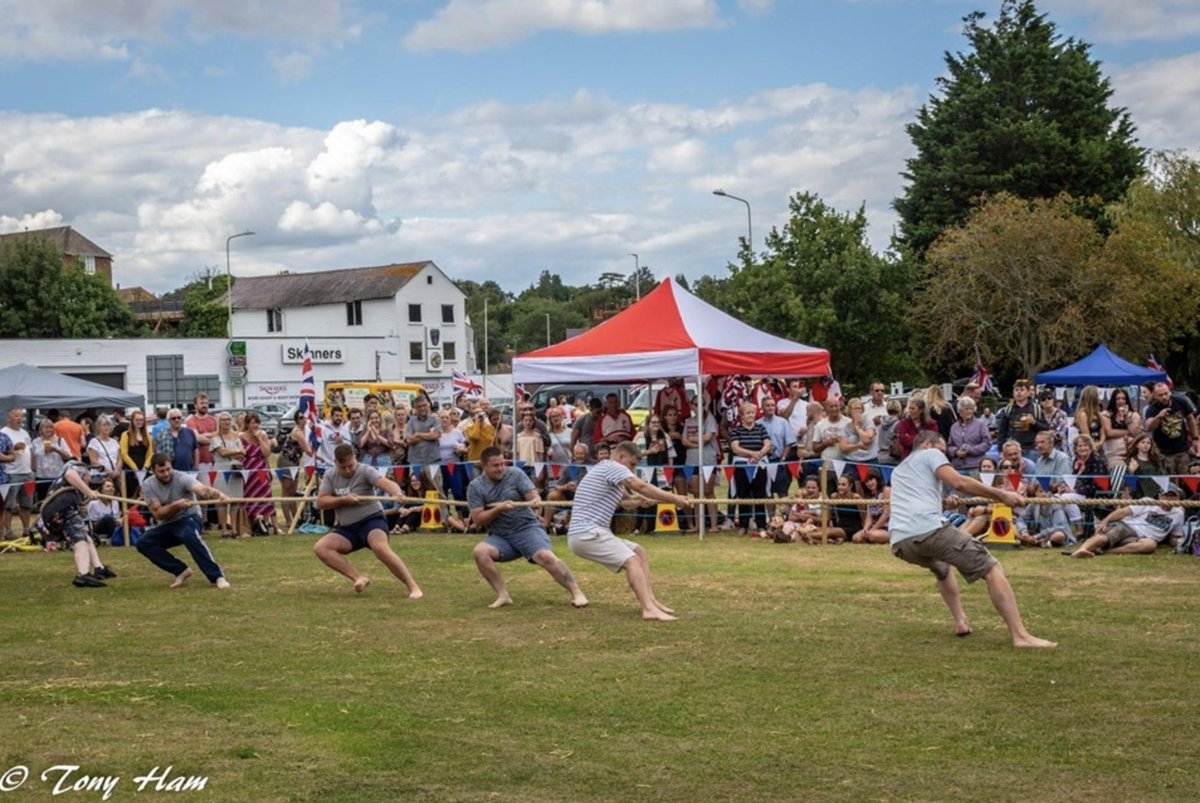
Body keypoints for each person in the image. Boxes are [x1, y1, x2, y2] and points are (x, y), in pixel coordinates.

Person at [888, 430, 1056, 648]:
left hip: (901, 542)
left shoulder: (900, 470)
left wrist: (944, 502)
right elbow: (959, 482)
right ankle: (1021, 636)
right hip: (927, 530)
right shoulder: (930, 454)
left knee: (942, 568)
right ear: (928, 444)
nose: (944, 458)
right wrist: (1003, 495)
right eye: (942, 452)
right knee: (991, 567)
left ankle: (961, 622)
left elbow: (917, 500)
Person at [567, 441, 689, 621]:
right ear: (621, 457)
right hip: (587, 533)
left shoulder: (607, 472)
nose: (632, 470)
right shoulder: (612, 467)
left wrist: (637, 500)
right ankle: (648, 609)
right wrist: (675, 498)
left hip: (590, 533)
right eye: (632, 464)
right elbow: (642, 486)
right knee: (632, 561)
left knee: (639, 551)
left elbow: (625, 501)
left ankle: (651, 601)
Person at [468, 447, 589, 609]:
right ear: (483, 466)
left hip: (527, 528)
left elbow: (532, 495)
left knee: (546, 557)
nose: (500, 468)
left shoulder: (515, 474)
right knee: (480, 552)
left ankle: (577, 593)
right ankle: (503, 595)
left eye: (502, 464)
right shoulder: (475, 487)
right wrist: (498, 509)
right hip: (501, 536)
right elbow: (478, 520)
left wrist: (535, 500)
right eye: (495, 466)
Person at [313, 444, 424, 597]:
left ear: (355, 458)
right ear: (335, 463)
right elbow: (321, 502)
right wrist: (344, 500)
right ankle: (358, 578)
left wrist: (397, 493)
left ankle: (413, 587)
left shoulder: (365, 470)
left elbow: (387, 484)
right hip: (348, 529)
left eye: (350, 465)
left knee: (380, 547)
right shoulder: (330, 475)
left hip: (372, 521)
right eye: (342, 467)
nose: (347, 470)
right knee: (321, 548)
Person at [138, 453, 231, 589]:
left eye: (168, 469)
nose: (166, 474)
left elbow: (203, 491)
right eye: (161, 471)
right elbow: (158, 514)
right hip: (168, 524)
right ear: (153, 471)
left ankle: (217, 576)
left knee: (188, 535)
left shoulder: (181, 477)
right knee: (143, 543)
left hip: (190, 518)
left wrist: (219, 495)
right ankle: (180, 570)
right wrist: (176, 505)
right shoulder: (148, 485)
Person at [35, 458, 116, 587]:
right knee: (80, 540)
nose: (90, 478)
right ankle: (83, 575)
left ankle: (99, 568)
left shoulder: (65, 486)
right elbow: (70, 474)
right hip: (61, 509)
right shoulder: (75, 468)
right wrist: (88, 492)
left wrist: (88, 494)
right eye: (89, 475)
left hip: (54, 513)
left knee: (86, 537)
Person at [1069, 486, 1185, 558]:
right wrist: (1105, 521)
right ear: (1160, 496)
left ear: (1177, 498)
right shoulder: (1148, 501)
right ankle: (1081, 551)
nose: (1169, 499)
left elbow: (1174, 538)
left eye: (1173, 496)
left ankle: (1108, 552)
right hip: (1128, 526)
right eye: (1166, 496)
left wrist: (1182, 542)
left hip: (1142, 539)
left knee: (1150, 545)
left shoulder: (1179, 514)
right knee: (1105, 538)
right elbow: (1123, 512)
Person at [1144, 382, 1199, 476]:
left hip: (1182, 449)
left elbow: (1190, 419)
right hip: (1164, 453)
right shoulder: (1152, 409)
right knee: (1170, 482)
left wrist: (1195, 438)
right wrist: (1158, 417)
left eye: (1166, 393)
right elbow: (1149, 427)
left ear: (1170, 392)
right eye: (1160, 395)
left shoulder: (1180, 401)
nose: (1164, 397)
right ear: (1155, 396)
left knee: (1186, 479)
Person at [239, 413, 277, 535]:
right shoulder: (241, 436)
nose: (254, 425)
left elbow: (267, 454)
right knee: (249, 497)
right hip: (248, 471)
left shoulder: (263, 435)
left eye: (256, 422)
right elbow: (239, 454)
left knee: (266, 496)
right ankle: (250, 526)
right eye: (251, 423)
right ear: (247, 424)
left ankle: (275, 527)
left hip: (261, 469)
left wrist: (259, 438)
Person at [1, 409, 35, 536]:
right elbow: (2, 453)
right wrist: (14, 448)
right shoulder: (3, 433)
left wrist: (32, 469)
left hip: (27, 473)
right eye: (16, 416)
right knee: (8, 505)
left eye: (21, 416)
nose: (19, 419)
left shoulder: (25, 432)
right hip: (11, 473)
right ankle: (8, 532)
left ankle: (26, 530)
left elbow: (30, 451)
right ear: (9, 417)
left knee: (27, 504)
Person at [996, 379, 1047, 457]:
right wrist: (1000, 450)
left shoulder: (1036, 408)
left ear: (1028, 392)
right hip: (1012, 450)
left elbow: (1045, 429)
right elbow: (1002, 432)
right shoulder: (1008, 409)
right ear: (1013, 393)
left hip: (1031, 449)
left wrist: (1034, 422)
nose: (1019, 392)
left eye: (1022, 390)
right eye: (1016, 390)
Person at [33, 417, 72, 503]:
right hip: (41, 477)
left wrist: (55, 449)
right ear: (41, 429)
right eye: (46, 427)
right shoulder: (35, 442)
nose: (48, 430)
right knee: (43, 501)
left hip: (57, 476)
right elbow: (33, 458)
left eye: (50, 427)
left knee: (57, 501)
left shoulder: (59, 440)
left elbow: (68, 456)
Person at [947, 396, 990, 472]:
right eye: (966, 409)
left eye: (971, 409)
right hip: (958, 466)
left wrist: (970, 450)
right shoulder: (954, 427)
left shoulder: (981, 424)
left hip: (976, 465)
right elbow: (949, 446)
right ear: (960, 411)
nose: (969, 411)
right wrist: (956, 452)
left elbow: (987, 443)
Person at [1100, 388, 1140, 470]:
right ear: (1113, 400)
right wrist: (1128, 432)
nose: (1121, 401)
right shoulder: (1106, 414)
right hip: (1113, 454)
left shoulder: (1134, 415)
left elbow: (1136, 434)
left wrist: (1126, 418)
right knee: (1120, 474)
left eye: (1123, 398)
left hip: (1132, 452)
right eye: (1118, 399)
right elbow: (1109, 432)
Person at [118, 409, 153, 499]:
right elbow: (124, 454)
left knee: (145, 495)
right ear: (132, 421)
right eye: (137, 420)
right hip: (130, 471)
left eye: (141, 420)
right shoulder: (125, 435)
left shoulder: (148, 436)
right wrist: (135, 468)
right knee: (130, 495)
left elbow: (150, 453)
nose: (139, 422)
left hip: (144, 470)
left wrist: (145, 467)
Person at [86, 415, 122, 489]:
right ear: (99, 427)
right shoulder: (94, 442)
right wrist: (108, 471)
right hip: (100, 477)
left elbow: (119, 458)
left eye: (108, 425)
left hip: (114, 476)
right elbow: (94, 462)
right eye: (104, 425)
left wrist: (117, 470)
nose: (106, 427)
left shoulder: (114, 442)